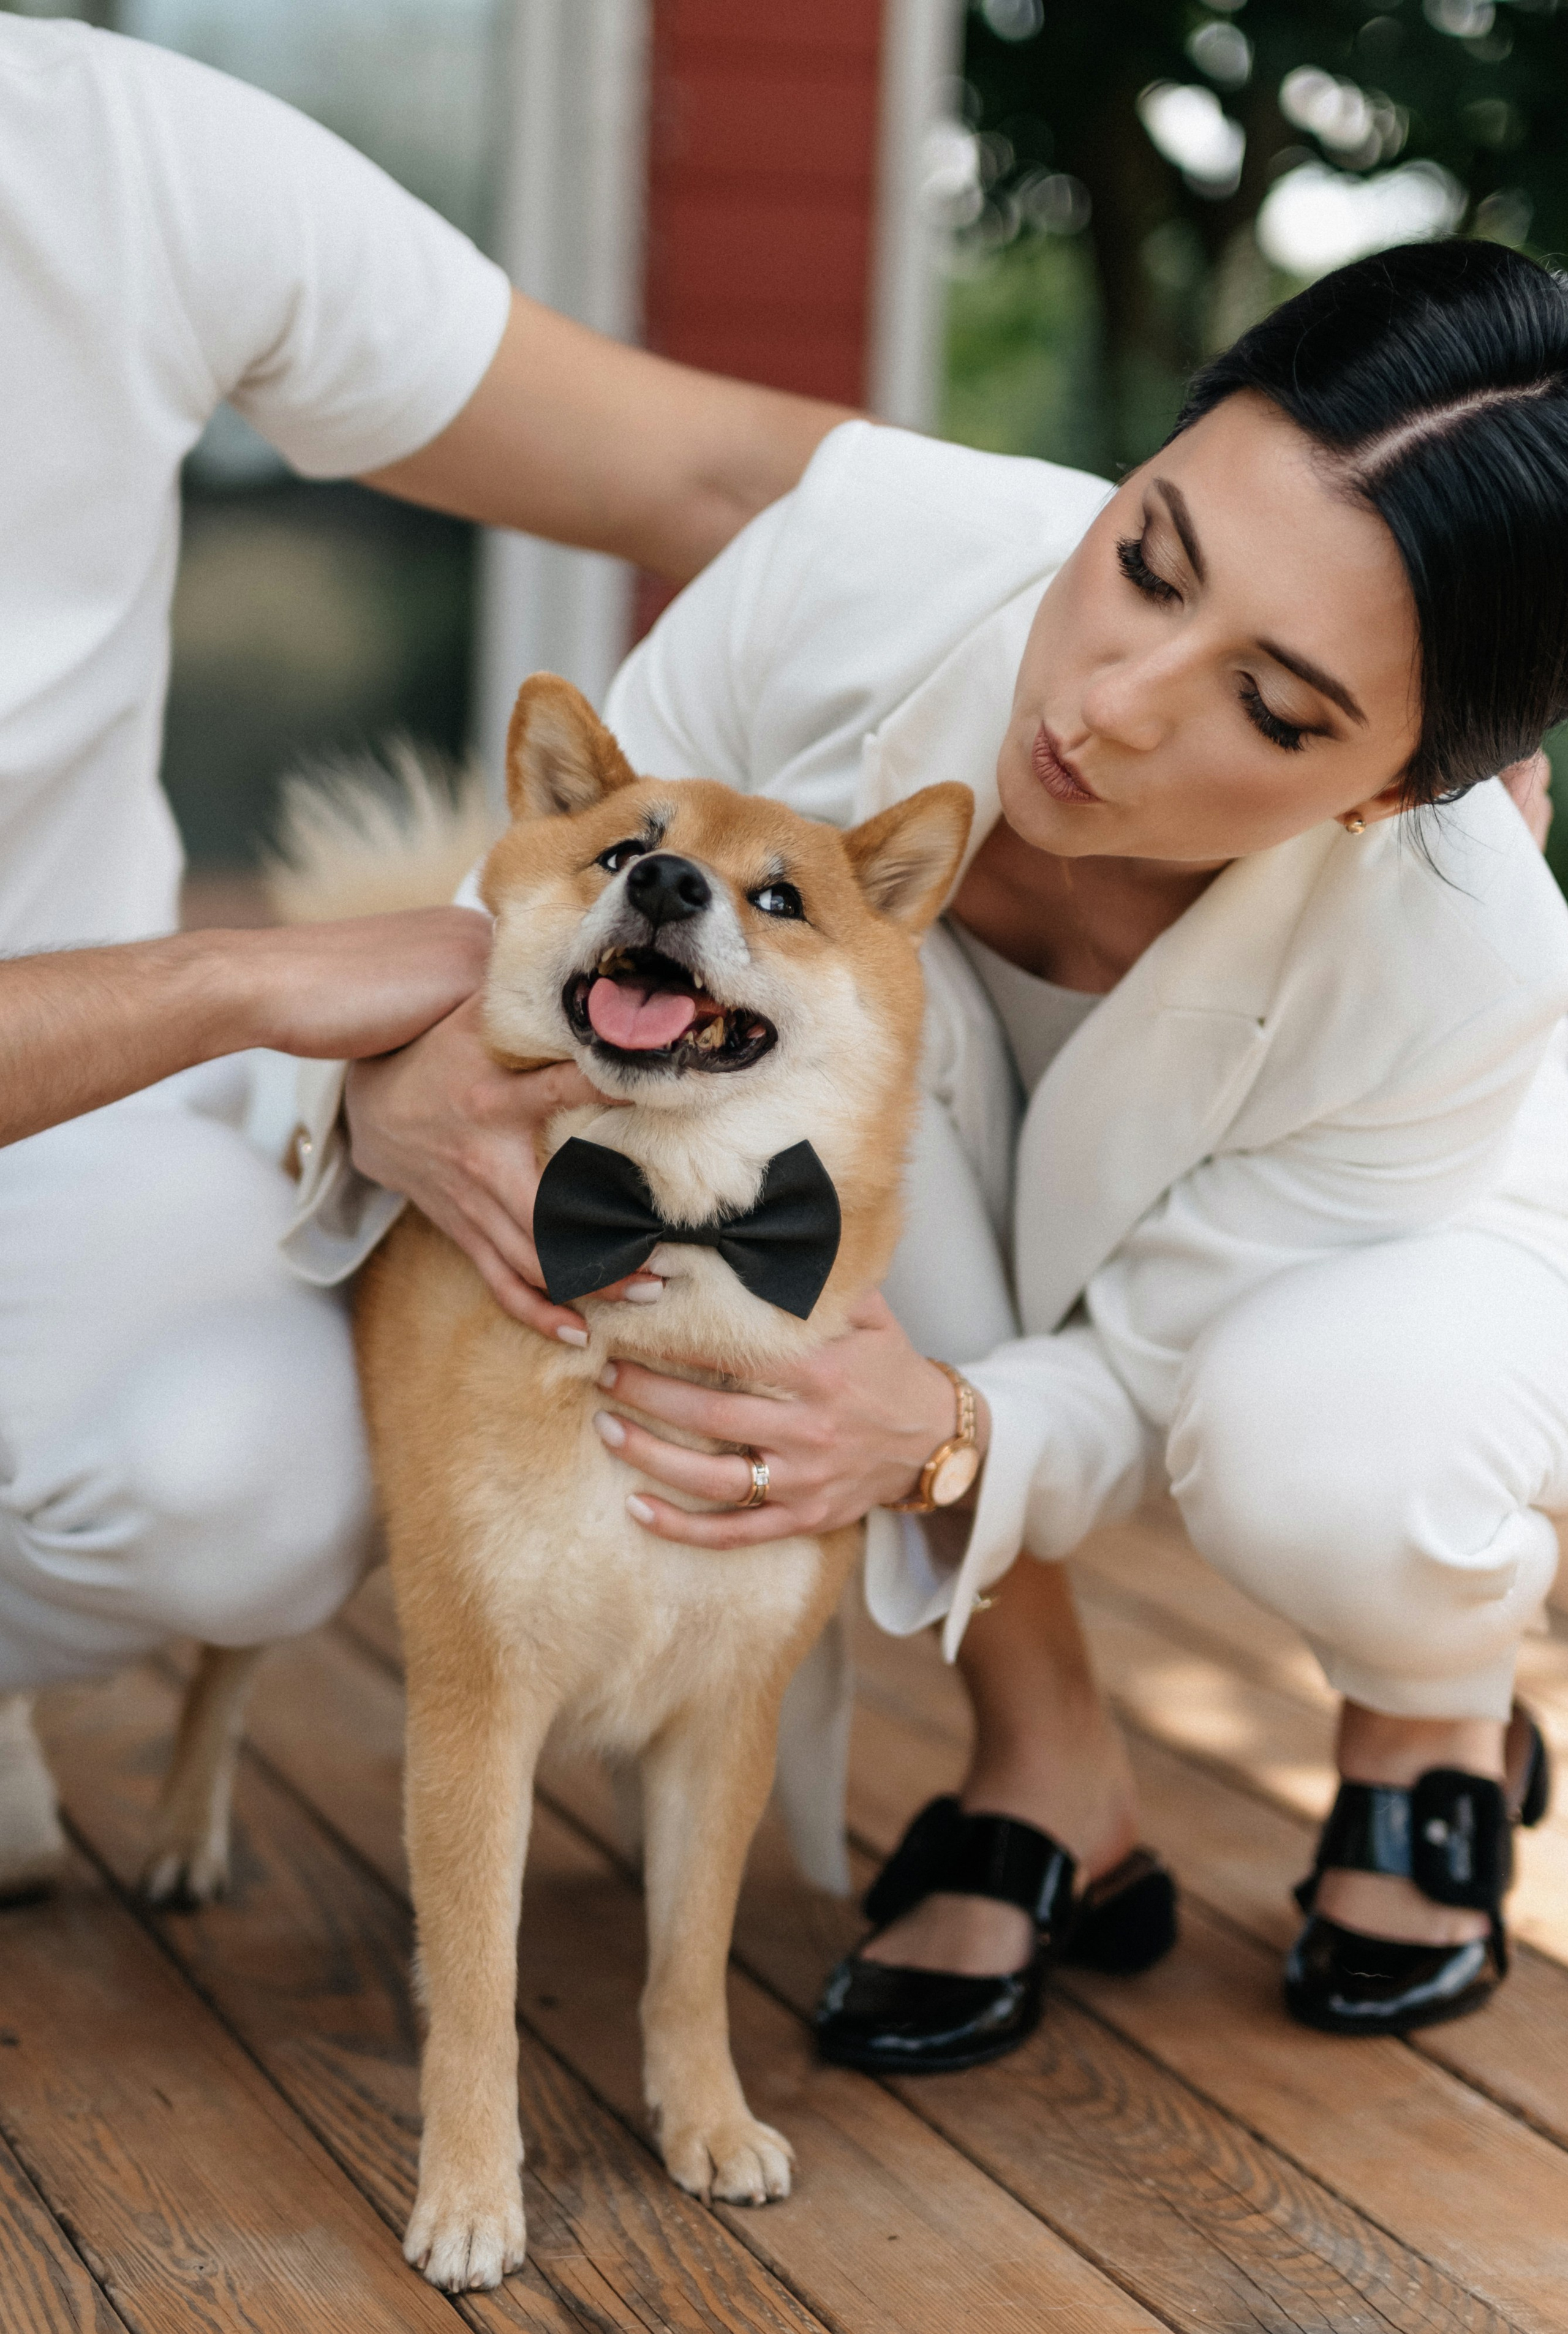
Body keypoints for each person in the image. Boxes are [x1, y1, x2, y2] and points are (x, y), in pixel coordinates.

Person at [298, 235, 1568, 2049]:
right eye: (1148, 559)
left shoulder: (1466, 948)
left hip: (1409, 1246)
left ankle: (1432, 1707)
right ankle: (1050, 1758)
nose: (1109, 699)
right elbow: (558, 938)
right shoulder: (860, 555)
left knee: (1331, 1453)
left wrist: (954, 1424)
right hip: (919, 1151)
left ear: (1392, 788)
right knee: (844, 1097)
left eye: (1273, 708)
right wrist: (395, 1077)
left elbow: (1145, 1371)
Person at [0, 12, 850, 1892]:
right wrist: (233, 987)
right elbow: (227, 992)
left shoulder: (112, 150)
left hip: (53, 1136)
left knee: (246, 1481)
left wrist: (1351, 616)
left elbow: (714, 475)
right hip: (111, 1027)